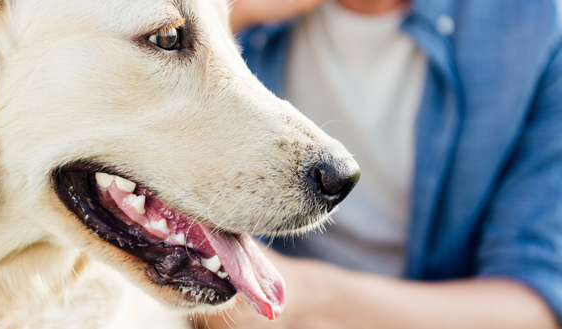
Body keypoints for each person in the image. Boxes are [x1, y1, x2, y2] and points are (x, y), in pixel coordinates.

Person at [198, 0, 562, 328]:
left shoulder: (539, 25)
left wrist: (308, 296)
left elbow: (536, 306)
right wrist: (224, 18)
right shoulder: (231, 11)